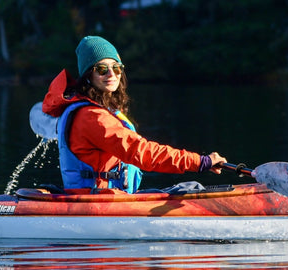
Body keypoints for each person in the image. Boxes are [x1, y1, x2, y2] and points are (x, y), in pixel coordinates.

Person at [41, 35, 227, 194]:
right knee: (190, 189)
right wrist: (200, 162)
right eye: (102, 69)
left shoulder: (92, 110)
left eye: (116, 68)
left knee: (190, 188)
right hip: (97, 201)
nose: (111, 74)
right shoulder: (92, 117)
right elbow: (142, 153)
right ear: (88, 75)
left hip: (107, 198)